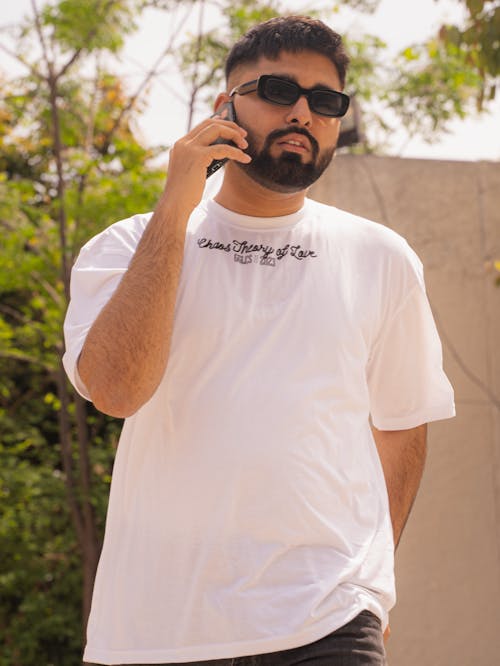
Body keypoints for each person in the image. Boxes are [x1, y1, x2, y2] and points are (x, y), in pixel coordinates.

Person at [63, 15, 455, 666]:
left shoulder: (382, 259)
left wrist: (374, 586)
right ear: (225, 108)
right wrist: (177, 203)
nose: (303, 111)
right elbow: (117, 388)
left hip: (328, 617)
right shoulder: (131, 245)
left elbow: (402, 426)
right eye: (278, 91)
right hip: (157, 630)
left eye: (325, 101)